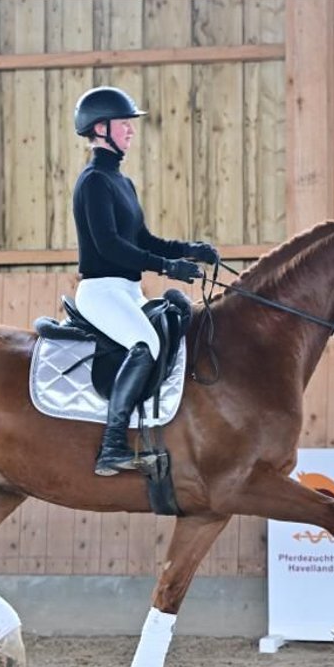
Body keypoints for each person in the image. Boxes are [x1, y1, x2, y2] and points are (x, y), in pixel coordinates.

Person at [71, 86, 220, 476]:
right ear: (100, 129)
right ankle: (112, 446)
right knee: (145, 343)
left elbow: (143, 240)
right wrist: (168, 268)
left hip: (127, 290)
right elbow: (110, 247)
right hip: (100, 290)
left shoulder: (123, 182)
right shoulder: (93, 182)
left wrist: (187, 250)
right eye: (124, 124)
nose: (131, 131)